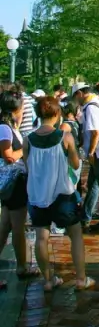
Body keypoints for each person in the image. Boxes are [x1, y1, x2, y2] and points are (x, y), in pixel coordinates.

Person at [23, 97, 94, 291]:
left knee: (41, 237)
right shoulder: (65, 137)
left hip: (37, 195)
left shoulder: (28, 139)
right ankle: (81, 279)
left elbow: (28, 164)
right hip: (63, 195)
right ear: (57, 113)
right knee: (76, 234)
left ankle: (47, 280)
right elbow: (76, 164)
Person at [0, 89, 39, 288]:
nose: (24, 111)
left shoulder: (9, 127)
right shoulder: (5, 129)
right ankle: (22, 266)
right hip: (14, 182)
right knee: (17, 227)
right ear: (15, 109)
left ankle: (22, 266)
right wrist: (23, 149)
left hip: (12, 183)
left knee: (5, 226)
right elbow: (7, 155)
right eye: (23, 107)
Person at [73, 83, 99, 232]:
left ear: (79, 93)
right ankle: (86, 217)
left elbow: (95, 132)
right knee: (94, 185)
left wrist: (90, 153)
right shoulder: (96, 103)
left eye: (75, 96)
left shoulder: (91, 107)